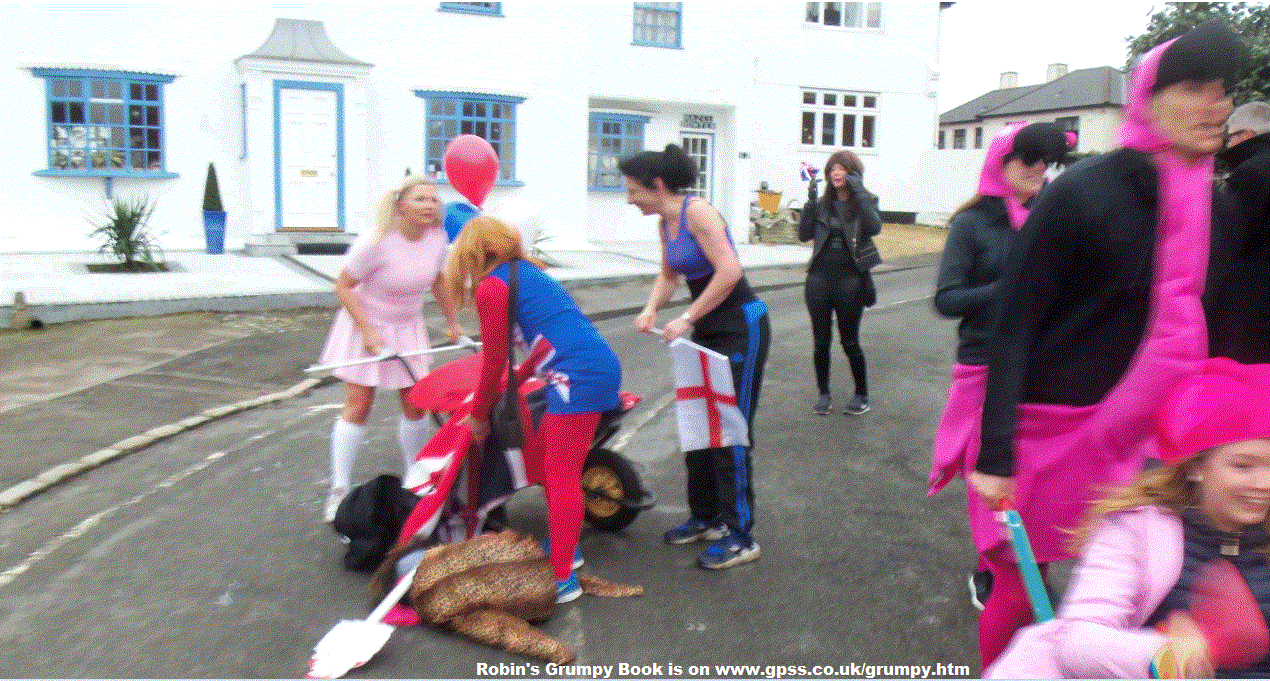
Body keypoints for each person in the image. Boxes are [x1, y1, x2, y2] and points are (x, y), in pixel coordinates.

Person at [969, 21, 1252, 667]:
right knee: (1019, 592)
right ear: (1150, 99)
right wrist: (995, 450)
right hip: (1056, 430)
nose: (1218, 105)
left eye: (1223, 89)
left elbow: (1224, 334)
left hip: (1160, 441)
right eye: (1196, 88)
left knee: (1145, 596)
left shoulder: (1223, 207)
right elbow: (1013, 323)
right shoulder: (1080, 193)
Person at [986, 358, 1270, 679]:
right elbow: (1078, 641)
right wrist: (1165, 655)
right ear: (1196, 467)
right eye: (1243, 466)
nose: (1264, 483)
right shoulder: (1134, 528)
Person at [926, 122, 1072, 612]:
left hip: (1042, 367)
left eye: (1045, 160)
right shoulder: (972, 225)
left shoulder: (1054, 216)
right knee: (990, 476)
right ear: (1000, 163)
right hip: (983, 367)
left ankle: (1028, 567)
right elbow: (947, 299)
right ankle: (992, 569)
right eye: (1027, 157)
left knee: (1036, 479)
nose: (1038, 168)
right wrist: (1009, 289)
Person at [445, 215, 622, 603]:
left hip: (575, 377)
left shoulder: (492, 287)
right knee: (553, 462)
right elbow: (546, 333)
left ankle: (564, 577)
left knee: (560, 476)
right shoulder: (527, 271)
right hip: (594, 366)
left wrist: (477, 416)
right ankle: (565, 547)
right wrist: (521, 375)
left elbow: (492, 363)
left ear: (469, 253)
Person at [620, 143, 771, 570]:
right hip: (708, 327)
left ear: (658, 185)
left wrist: (685, 317)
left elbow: (730, 270)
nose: (630, 199)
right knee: (699, 427)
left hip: (742, 325)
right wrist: (652, 308)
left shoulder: (698, 212)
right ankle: (707, 517)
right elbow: (670, 271)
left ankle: (741, 535)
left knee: (730, 430)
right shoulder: (666, 222)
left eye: (634, 191)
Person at [317, 175, 463, 523]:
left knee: (416, 406)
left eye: (433, 200)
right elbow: (344, 285)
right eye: (419, 199)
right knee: (359, 404)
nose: (429, 205)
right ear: (401, 205)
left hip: (408, 328)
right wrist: (368, 331)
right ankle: (338, 491)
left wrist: (454, 321)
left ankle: (417, 482)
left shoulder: (438, 238)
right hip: (366, 326)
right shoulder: (377, 240)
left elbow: (439, 280)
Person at [798, 149, 881, 416]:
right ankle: (824, 393)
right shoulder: (823, 204)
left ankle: (862, 394)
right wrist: (810, 204)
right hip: (819, 280)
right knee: (820, 341)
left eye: (842, 168)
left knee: (849, 342)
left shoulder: (866, 201)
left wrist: (859, 192)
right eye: (832, 168)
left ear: (853, 172)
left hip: (850, 282)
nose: (836, 172)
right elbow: (803, 235)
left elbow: (873, 227)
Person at [1217, 101, 1270, 364]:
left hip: (1254, 297)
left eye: (1231, 137)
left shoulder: (1251, 172)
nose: (1227, 145)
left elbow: (1231, 237)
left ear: (1247, 135)